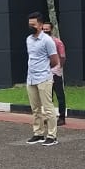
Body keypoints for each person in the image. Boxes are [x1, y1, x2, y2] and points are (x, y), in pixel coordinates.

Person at [25, 11, 59, 146]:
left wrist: (44, 68)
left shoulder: (47, 40)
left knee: (48, 107)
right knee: (35, 108)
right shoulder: (28, 39)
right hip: (31, 77)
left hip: (44, 77)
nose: (30, 27)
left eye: (33, 24)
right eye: (29, 24)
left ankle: (52, 135)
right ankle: (38, 133)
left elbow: (54, 60)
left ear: (40, 25)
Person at [41, 20, 66, 125]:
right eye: (44, 29)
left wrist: (59, 67)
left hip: (55, 72)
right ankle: (49, 116)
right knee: (47, 96)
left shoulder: (57, 42)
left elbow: (63, 56)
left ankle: (62, 117)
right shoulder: (40, 42)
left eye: (47, 29)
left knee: (60, 95)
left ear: (51, 29)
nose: (45, 30)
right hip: (45, 73)